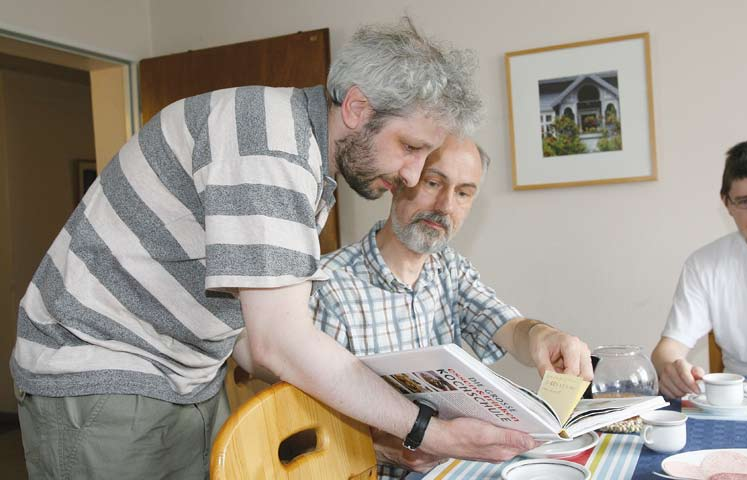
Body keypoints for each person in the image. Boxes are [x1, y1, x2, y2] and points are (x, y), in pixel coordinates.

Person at [10, 19, 538, 479]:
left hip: (187, 375)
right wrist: (430, 431)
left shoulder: (305, 163)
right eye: (410, 147)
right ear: (356, 107)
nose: (410, 173)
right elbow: (277, 344)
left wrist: (382, 420)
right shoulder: (267, 145)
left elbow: (249, 333)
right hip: (104, 376)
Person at [311, 135, 593, 478]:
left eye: (463, 193)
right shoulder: (330, 287)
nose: (445, 206)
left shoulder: (448, 268)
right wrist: (387, 448)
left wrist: (544, 336)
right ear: (401, 180)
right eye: (433, 183)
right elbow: (308, 433)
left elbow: (510, 330)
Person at [652, 138, 747, 399]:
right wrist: (672, 370)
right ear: (727, 203)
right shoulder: (705, 264)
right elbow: (667, 350)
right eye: (746, 201)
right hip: (740, 398)